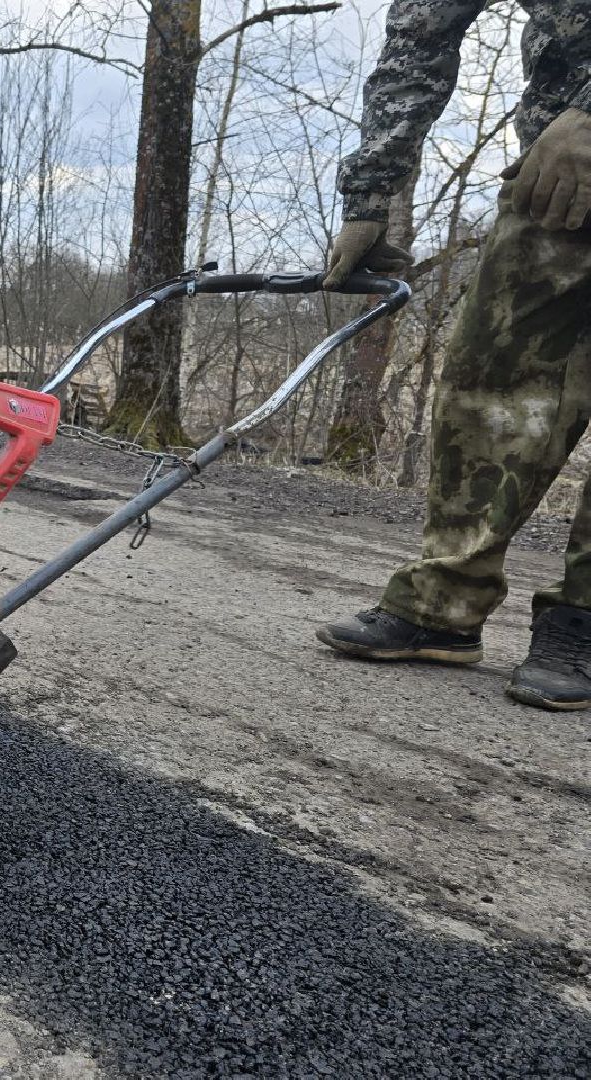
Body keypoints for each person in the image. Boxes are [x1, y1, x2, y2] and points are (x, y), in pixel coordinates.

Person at [315, 1, 591, 711]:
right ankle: (444, 603)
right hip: (557, 174)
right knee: (488, 380)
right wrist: (370, 195)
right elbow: (421, 32)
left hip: (578, 132)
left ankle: (583, 623)